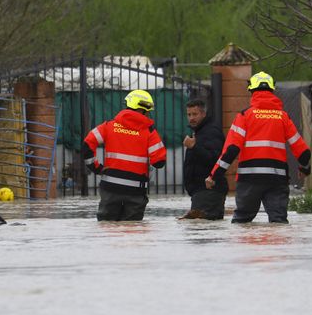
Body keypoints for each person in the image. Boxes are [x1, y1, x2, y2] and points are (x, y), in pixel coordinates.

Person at [205, 72, 311, 224]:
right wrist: (305, 168)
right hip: (277, 179)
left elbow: (231, 151)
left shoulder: (244, 116)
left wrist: (214, 175)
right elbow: (303, 152)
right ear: (272, 91)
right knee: (278, 223)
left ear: (252, 91)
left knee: (242, 222)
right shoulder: (283, 117)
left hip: (249, 179)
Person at [82, 89, 167, 221]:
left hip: (110, 188)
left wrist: (96, 168)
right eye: (148, 111)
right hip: (136, 191)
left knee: (107, 230)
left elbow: (87, 144)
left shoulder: (109, 126)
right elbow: (159, 162)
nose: (148, 114)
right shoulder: (149, 132)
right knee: (133, 233)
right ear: (142, 110)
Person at [181, 99, 227, 220]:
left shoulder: (211, 132)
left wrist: (194, 147)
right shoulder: (199, 132)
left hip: (209, 191)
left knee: (201, 228)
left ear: (203, 114)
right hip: (200, 192)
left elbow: (216, 160)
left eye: (195, 114)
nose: (191, 118)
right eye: (189, 114)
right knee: (198, 228)